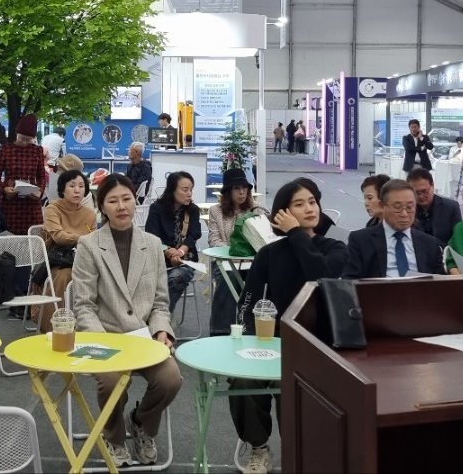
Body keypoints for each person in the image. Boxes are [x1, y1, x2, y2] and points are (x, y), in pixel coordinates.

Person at [230, 177, 347, 474]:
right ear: (283, 213)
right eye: (299, 204)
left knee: (290, 383)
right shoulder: (270, 254)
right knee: (242, 381)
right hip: (273, 341)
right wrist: (246, 340)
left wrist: (296, 233)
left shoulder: (335, 248)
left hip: (318, 343)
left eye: (312, 202)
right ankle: (259, 446)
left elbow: (319, 274)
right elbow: (247, 302)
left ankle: (297, 452)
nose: (309, 208)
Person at [68, 174, 182, 466]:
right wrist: (103, 343)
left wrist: (161, 332)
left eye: (127, 199)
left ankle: (140, 421)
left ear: (135, 201)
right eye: (113, 201)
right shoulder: (89, 245)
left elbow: (160, 303)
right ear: (101, 207)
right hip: (105, 337)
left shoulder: (153, 244)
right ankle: (114, 436)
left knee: (170, 379)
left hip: (144, 338)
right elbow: (83, 305)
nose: (121, 206)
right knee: (111, 381)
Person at [342, 179, 443, 278]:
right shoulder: (361, 240)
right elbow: (349, 280)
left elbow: (441, 282)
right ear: (382, 206)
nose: (404, 214)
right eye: (397, 208)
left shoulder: (430, 244)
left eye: (410, 207)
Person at [206, 168, 265, 334]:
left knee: (259, 278)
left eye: (244, 188)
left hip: (252, 262)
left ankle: (252, 328)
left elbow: (264, 239)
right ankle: (221, 331)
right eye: (237, 188)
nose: (242, 192)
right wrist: (233, 254)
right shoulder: (216, 211)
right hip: (225, 261)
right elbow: (214, 240)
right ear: (228, 192)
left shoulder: (257, 209)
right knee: (230, 276)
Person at [39, 167, 96, 330]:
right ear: (62, 189)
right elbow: (58, 237)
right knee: (66, 275)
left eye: (81, 186)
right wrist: (83, 238)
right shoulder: (52, 209)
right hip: (59, 259)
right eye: (72, 186)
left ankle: (91, 324)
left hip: (84, 258)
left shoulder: (90, 214)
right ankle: (56, 325)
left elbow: (95, 241)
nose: (77, 190)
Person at [145, 170, 201, 308]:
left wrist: (180, 252)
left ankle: (161, 313)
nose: (189, 193)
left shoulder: (193, 210)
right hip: (159, 259)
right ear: (172, 190)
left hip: (185, 260)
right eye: (185, 190)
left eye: (191, 189)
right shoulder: (157, 208)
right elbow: (152, 235)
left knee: (177, 278)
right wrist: (169, 252)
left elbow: (193, 235)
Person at [0, 114, 47, 236]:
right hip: (10, 203)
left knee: (32, 237)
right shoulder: (6, 149)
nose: (24, 142)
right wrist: (4, 189)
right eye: (22, 138)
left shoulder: (37, 150)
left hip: (31, 204)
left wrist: (40, 191)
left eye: (28, 139)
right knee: (8, 238)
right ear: (17, 134)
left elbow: (42, 176)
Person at [406, 168, 461, 248]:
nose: (420, 196)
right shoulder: (407, 209)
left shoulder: (451, 207)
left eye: (425, 191)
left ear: (432, 185)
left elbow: (458, 237)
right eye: (416, 193)